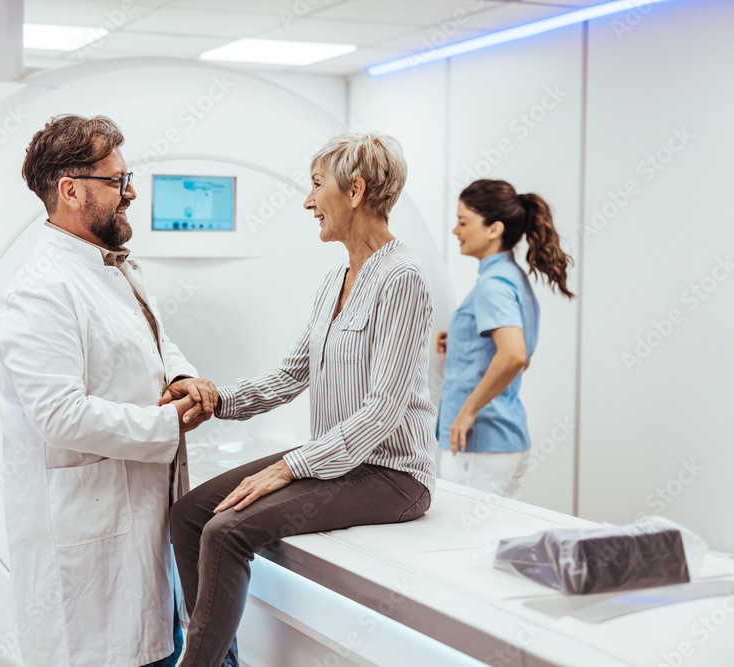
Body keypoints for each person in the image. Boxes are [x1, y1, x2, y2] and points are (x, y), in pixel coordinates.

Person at [164, 132, 436, 667]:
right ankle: (221, 661)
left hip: (392, 474)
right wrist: (218, 399)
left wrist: (290, 467)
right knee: (189, 514)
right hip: (338, 465)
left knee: (226, 532)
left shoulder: (404, 277)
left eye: (316, 187)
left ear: (355, 190)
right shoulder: (336, 277)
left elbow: (382, 409)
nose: (308, 202)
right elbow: (292, 374)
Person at [0, 114, 218, 667]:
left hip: (140, 524)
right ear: (70, 190)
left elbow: (151, 345)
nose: (131, 192)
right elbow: (61, 417)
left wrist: (182, 378)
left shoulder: (113, 269)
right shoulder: (41, 289)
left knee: (157, 641)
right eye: (117, 181)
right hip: (88, 548)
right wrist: (171, 424)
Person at [435, 179, 574, 498]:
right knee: (490, 543)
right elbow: (517, 356)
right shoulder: (512, 279)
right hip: (500, 444)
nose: (456, 231)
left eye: (463, 222)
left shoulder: (493, 286)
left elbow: (513, 356)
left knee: (465, 543)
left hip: (479, 444)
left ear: (494, 229)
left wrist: (467, 411)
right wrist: (461, 342)